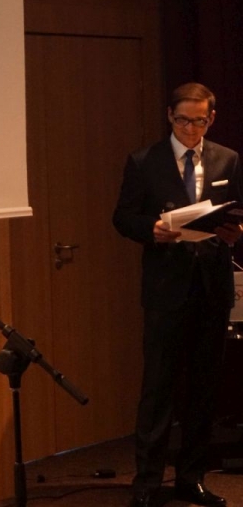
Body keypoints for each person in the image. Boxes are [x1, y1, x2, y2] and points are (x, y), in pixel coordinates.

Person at [113, 82, 243, 507]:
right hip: (166, 288)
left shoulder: (227, 158)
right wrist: (151, 229)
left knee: (203, 388)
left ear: (212, 119)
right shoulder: (144, 161)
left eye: (199, 121)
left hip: (212, 286)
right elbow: (123, 217)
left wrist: (235, 231)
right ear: (170, 115)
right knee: (158, 387)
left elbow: (235, 210)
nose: (191, 129)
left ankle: (192, 478)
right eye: (184, 120)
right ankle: (148, 483)